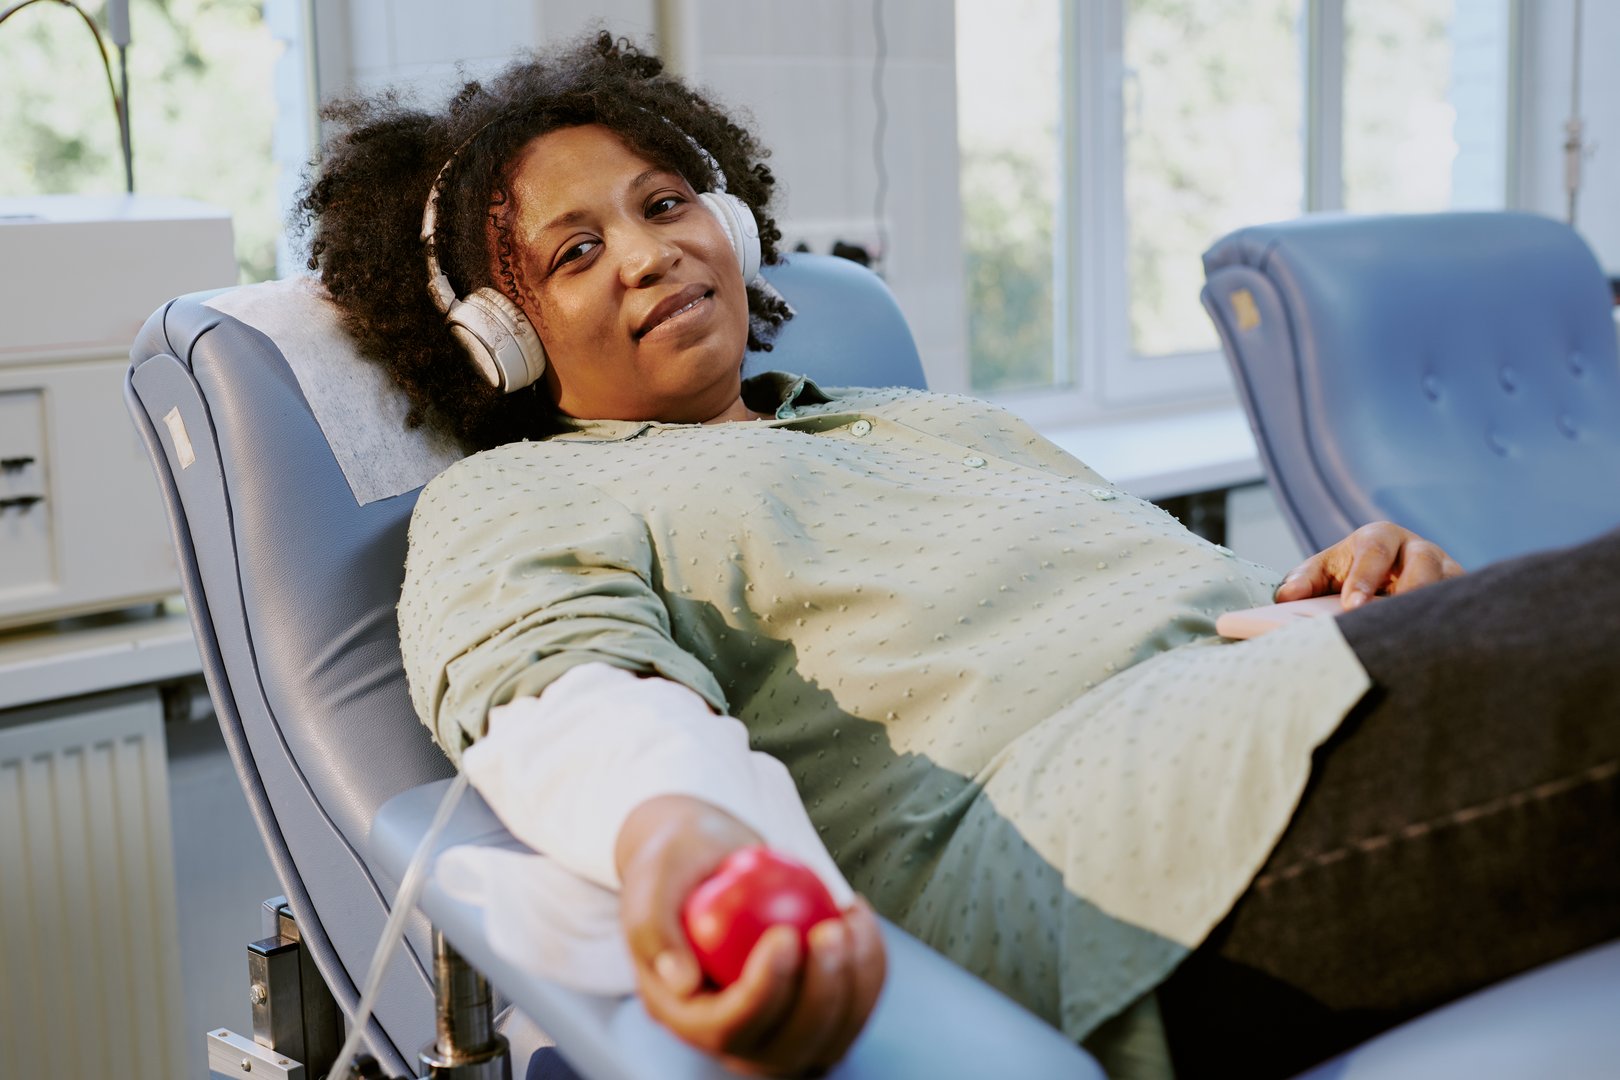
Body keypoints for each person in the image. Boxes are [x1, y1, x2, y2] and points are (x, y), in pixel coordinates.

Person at [297, 32, 1620, 1079]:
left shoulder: (935, 421)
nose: (648, 252)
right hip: (1113, 859)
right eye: (576, 252)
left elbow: (1133, 600)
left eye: (665, 202)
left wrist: (1350, 602)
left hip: (1274, 714)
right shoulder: (520, 497)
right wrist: (689, 851)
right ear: (498, 345)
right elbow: (573, 706)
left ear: (734, 224)